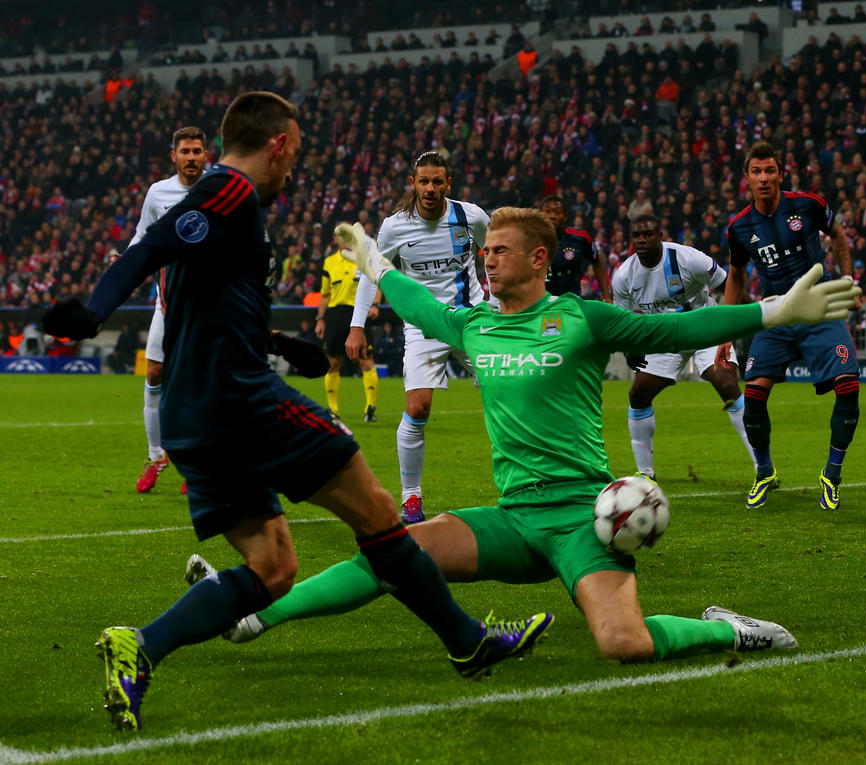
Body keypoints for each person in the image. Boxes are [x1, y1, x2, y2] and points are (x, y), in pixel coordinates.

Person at [42, 93, 552, 733]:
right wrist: (92, 313)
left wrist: (283, 346)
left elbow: (209, 305)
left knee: (274, 569)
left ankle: (139, 647)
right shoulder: (228, 192)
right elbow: (149, 249)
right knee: (380, 517)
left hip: (192, 413)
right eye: (296, 154)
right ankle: (467, 640)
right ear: (277, 143)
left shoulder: (232, 212)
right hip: (239, 401)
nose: (294, 171)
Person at [185, 207, 859, 669]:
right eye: (485, 250)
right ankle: (254, 614)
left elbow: (674, 332)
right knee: (391, 552)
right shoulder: (477, 325)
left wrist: (773, 310)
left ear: (538, 258)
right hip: (511, 518)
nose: (487, 258)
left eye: (499, 250)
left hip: (582, 519)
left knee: (623, 644)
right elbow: (421, 305)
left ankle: (729, 628)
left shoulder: (583, 319)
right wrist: (372, 262)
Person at [345, 151, 489, 524]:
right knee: (418, 407)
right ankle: (411, 498)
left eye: (437, 181)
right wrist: (357, 325)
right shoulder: (395, 227)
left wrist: (499, 299)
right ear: (413, 183)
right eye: (423, 181)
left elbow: (496, 252)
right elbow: (370, 271)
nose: (430, 188)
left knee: (508, 394)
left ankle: (531, 481)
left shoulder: (471, 217)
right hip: (423, 325)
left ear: (447, 184)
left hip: (470, 320)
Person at [723, 141, 860, 512]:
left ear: (780, 174)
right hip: (776, 314)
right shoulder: (738, 227)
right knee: (752, 397)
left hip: (818, 310)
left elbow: (840, 236)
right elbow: (735, 277)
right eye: (757, 171)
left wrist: (848, 280)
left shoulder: (808, 205)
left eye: (770, 171)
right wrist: (724, 333)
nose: (764, 178)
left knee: (848, 388)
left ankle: (832, 475)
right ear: (747, 178)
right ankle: (764, 471)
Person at [612, 215, 755, 480]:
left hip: (705, 326)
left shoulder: (688, 258)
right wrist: (627, 347)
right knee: (638, 393)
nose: (642, 239)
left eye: (648, 233)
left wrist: (754, 313)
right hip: (664, 335)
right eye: (636, 235)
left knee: (727, 385)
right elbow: (621, 320)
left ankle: (763, 466)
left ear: (660, 235)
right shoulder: (623, 275)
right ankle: (645, 474)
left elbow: (728, 283)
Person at [130, 126, 207, 494]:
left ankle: (197, 463)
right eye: (185, 151)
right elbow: (142, 236)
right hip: (169, 299)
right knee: (155, 370)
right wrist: (126, 264)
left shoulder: (220, 189)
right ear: (173, 155)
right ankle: (156, 455)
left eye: (197, 150)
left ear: (206, 154)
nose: (191, 157)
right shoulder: (158, 193)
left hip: (211, 303)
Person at [316, 224, 381, 423]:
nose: (342, 239)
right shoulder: (329, 262)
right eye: (339, 236)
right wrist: (320, 319)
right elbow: (325, 295)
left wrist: (376, 304)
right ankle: (333, 410)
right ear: (336, 239)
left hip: (358, 314)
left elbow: (376, 282)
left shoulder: (362, 258)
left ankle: (370, 408)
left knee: (366, 361)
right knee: (333, 363)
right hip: (335, 315)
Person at [540, 195, 611, 301]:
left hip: (572, 303)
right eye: (548, 211)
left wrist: (606, 296)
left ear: (565, 216)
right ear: (540, 215)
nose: (552, 216)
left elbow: (596, 261)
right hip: (541, 304)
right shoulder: (530, 240)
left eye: (557, 212)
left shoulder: (580, 237)